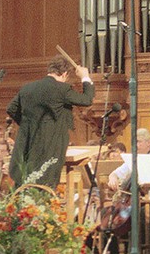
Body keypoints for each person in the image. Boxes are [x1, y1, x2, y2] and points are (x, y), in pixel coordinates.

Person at [7, 54, 95, 188]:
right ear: (65, 74)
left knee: (23, 187)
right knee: (44, 188)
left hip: (26, 144)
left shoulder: (27, 88)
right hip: (49, 147)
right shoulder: (62, 89)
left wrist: (30, 124)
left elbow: (12, 108)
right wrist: (85, 77)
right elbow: (86, 100)